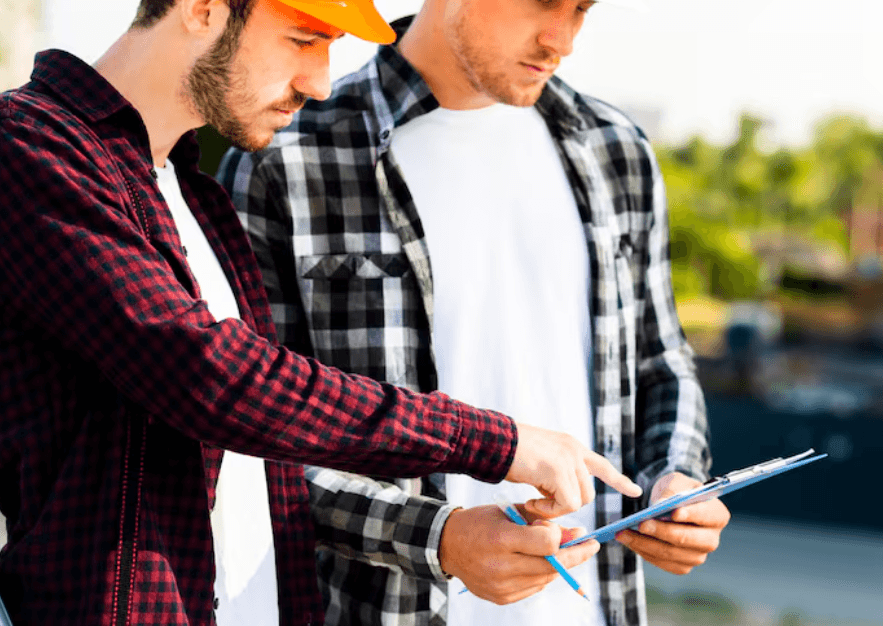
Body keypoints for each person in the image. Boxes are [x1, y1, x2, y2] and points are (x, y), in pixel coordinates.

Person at [0, 1, 646, 625]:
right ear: (201, 8)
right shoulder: (28, 148)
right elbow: (215, 378)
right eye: (303, 40)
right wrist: (493, 441)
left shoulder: (193, 197)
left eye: (331, 48)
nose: (318, 82)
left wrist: (441, 530)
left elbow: (279, 441)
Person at [218, 0, 732, 625]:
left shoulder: (615, 150)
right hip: (385, 608)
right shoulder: (289, 157)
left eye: (581, 9)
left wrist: (677, 479)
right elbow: (250, 436)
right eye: (543, 3)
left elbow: (661, 358)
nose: (561, 39)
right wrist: (441, 539)